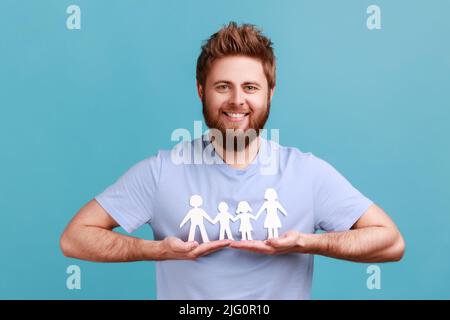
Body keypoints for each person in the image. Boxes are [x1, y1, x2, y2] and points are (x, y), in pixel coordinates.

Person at [60, 22, 405, 299]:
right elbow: (75, 238)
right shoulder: (162, 171)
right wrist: (158, 250)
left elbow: (391, 242)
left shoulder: (307, 173)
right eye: (223, 86)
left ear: (271, 93)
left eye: (251, 88)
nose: (237, 100)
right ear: (201, 90)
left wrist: (307, 241)